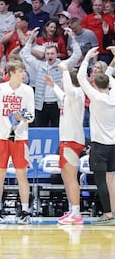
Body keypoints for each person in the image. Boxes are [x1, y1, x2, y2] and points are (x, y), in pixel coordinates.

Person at [0, 60, 34, 224]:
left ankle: (25, 211)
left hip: (20, 137)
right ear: (11, 73)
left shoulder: (27, 91)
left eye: (24, 71)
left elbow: (31, 116)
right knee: (0, 173)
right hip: (2, 137)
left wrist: (22, 117)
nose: (23, 74)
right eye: (20, 71)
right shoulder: (0, 88)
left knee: (21, 174)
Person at [77, 46, 115, 225]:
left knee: (101, 181)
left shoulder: (96, 97)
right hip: (114, 145)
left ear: (96, 85)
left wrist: (86, 58)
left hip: (100, 146)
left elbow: (80, 78)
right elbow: (110, 76)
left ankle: (107, 215)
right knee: (112, 179)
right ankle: (113, 212)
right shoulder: (113, 92)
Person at [44, 65, 85, 225]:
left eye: (64, 79)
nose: (62, 81)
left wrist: (65, 70)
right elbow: (62, 94)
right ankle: (72, 209)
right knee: (65, 176)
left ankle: (76, 213)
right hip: (66, 139)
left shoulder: (77, 93)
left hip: (73, 140)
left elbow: (67, 89)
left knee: (71, 177)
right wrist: (53, 85)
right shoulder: (69, 96)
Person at [20, 27, 82, 127]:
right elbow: (26, 54)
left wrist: (72, 38)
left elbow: (77, 55)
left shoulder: (62, 65)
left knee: (58, 130)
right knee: (40, 130)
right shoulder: (40, 66)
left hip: (57, 104)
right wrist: (31, 39)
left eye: (52, 53)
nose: (50, 55)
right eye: (47, 53)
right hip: (41, 104)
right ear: (45, 55)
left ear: (57, 54)